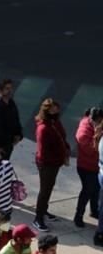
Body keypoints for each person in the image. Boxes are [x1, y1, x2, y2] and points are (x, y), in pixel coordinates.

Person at [33, 98, 70, 232]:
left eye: (56, 107)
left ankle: (44, 210)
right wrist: (60, 158)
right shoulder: (43, 128)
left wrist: (65, 151)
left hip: (55, 163)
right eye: (53, 108)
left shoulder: (55, 122)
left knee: (48, 189)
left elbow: (62, 137)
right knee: (45, 191)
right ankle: (38, 218)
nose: (56, 110)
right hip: (47, 165)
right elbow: (44, 153)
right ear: (46, 110)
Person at [73, 107, 102, 226]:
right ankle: (78, 215)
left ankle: (94, 210)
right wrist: (97, 136)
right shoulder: (84, 131)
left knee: (96, 189)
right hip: (86, 166)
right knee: (87, 191)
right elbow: (91, 150)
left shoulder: (98, 125)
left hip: (96, 166)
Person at [0, 79, 23, 158]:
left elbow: (16, 120)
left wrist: (18, 134)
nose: (9, 91)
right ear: (0, 90)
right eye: (7, 88)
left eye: (10, 88)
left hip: (8, 144)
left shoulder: (11, 103)